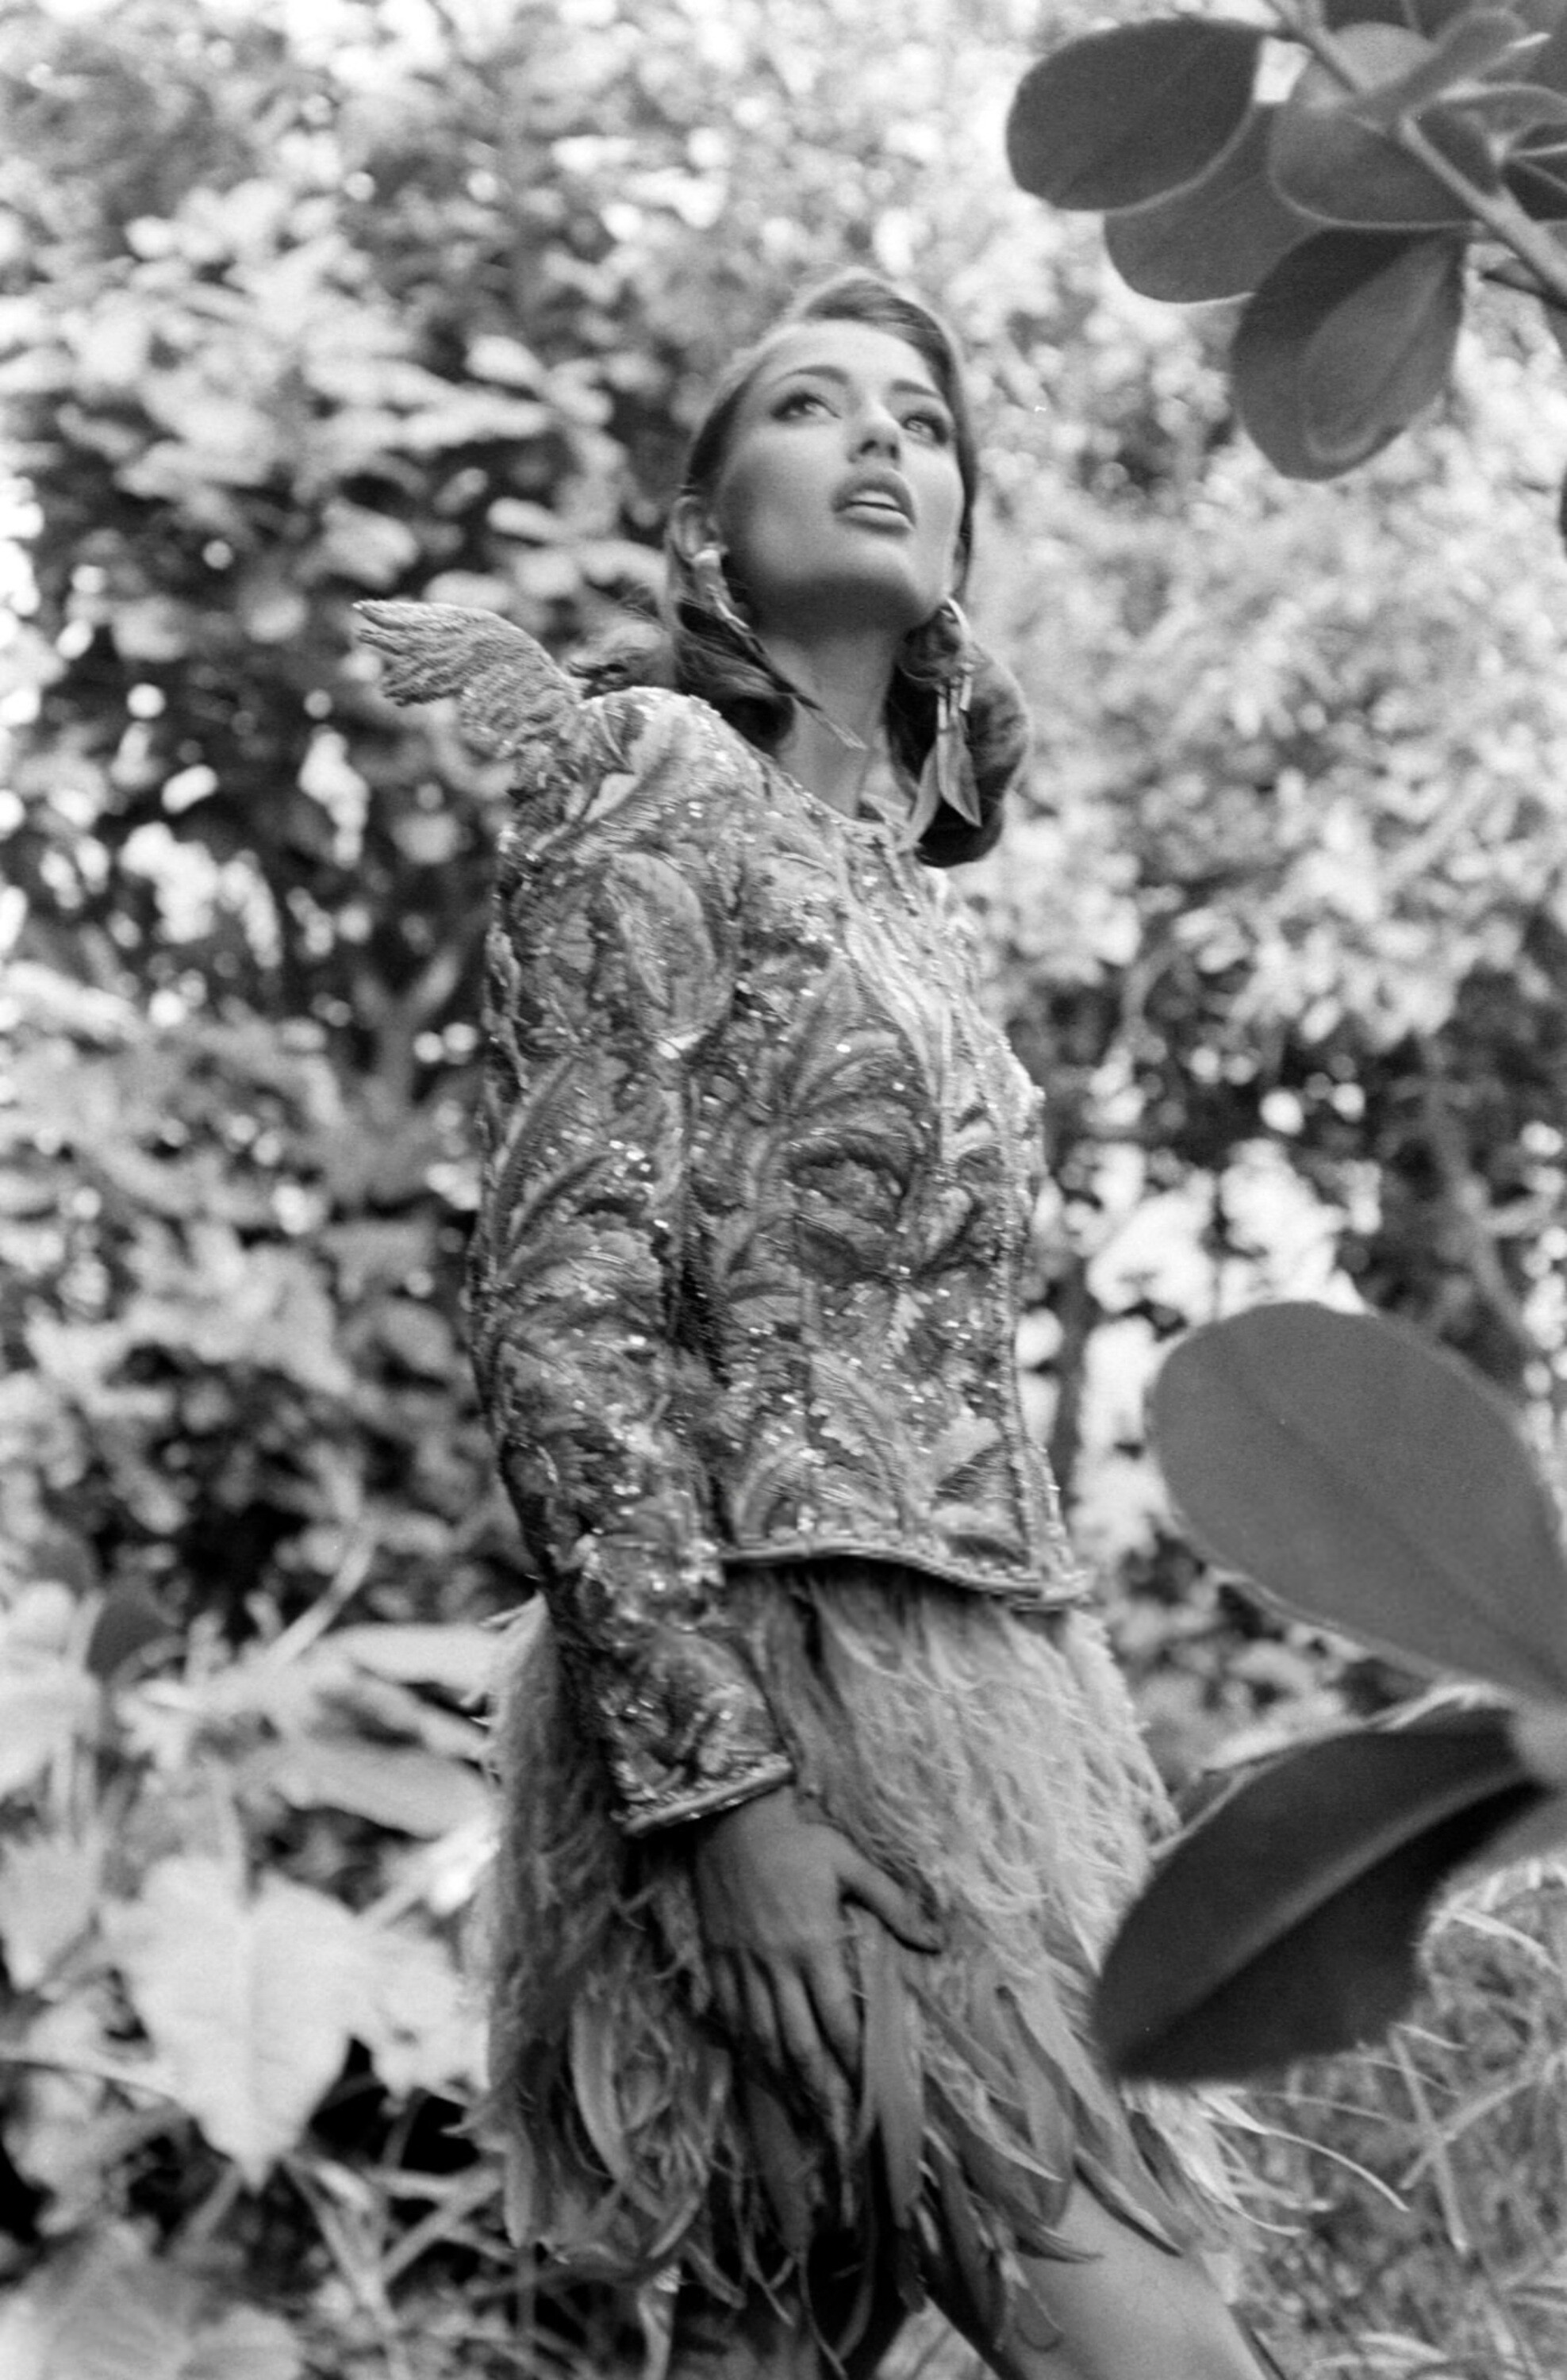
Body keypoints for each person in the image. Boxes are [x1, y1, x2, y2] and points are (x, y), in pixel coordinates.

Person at [358, 272, 1285, 2379]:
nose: (881, 439)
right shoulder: (650, 775)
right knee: (1142, 2337)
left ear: (958, 534)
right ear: (706, 534)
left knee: (780, 2343)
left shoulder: (914, 896)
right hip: (781, 1686)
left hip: (995, 1684)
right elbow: (564, 1308)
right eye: (812, 404)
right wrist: (723, 1795)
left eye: (924, 424)